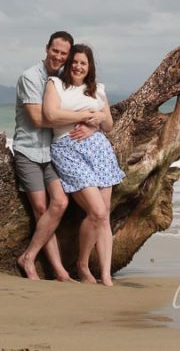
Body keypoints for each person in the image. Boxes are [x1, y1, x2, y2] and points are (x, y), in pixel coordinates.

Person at [14, 32, 101, 281]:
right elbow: (41, 118)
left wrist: (93, 124)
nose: (59, 57)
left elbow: (88, 107)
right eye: (56, 51)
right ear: (47, 49)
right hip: (28, 150)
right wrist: (83, 115)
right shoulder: (31, 77)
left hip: (51, 151)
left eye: (64, 54)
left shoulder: (62, 80)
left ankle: (36, 259)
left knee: (60, 203)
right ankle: (50, 267)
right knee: (41, 207)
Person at [43, 44, 125, 286]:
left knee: (104, 215)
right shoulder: (55, 84)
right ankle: (82, 263)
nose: (79, 67)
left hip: (99, 150)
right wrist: (84, 117)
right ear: (69, 64)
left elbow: (108, 124)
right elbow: (51, 115)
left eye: (83, 63)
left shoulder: (98, 90)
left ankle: (106, 275)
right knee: (97, 211)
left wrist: (99, 118)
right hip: (68, 149)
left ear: (90, 67)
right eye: (75, 62)